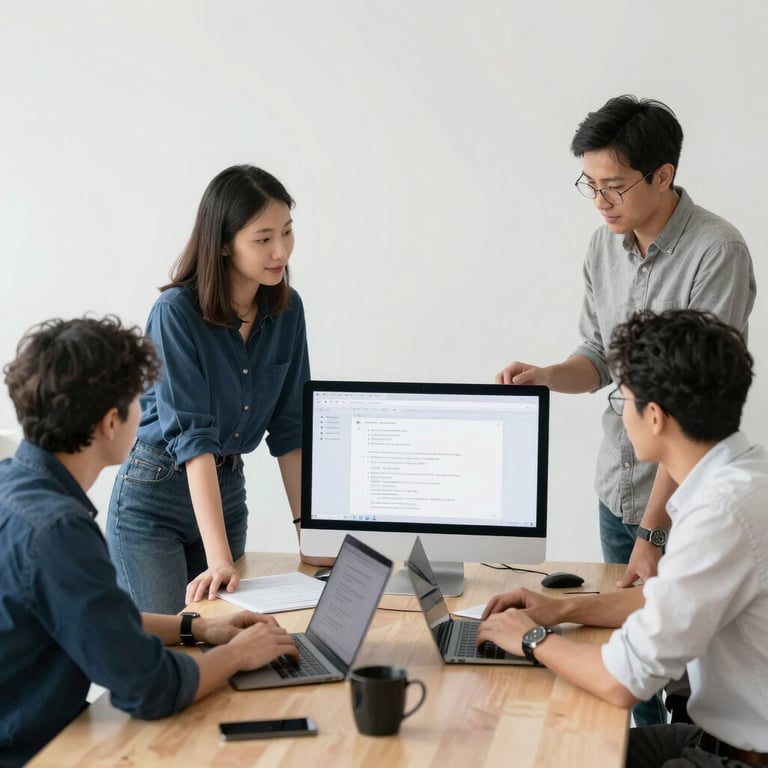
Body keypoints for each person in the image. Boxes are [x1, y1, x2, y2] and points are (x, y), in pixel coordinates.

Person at [0, 317, 299, 767]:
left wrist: (197, 628)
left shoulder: (13, 487)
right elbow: (149, 687)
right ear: (111, 422)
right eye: (141, 400)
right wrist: (238, 655)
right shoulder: (59, 531)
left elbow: (100, 622)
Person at [479, 309, 768, 767]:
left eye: (623, 399)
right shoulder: (743, 475)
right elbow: (669, 598)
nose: (619, 415)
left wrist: (532, 639)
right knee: (573, 748)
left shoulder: (720, 513)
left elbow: (623, 680)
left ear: (654, 417)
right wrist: (561, 610)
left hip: (742, 757)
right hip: (720, 739)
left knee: (547, 753)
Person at [496, 95, 756, 585]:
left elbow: (694, 406)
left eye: (614, 187)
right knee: (615, 624)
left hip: (678, 508)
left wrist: (653, 533)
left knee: (669, 633)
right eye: (590, 186)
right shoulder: (603, 245)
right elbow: (600, 356)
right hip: (616, 491)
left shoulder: (717, 251)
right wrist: (547, 376)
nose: (600, 202)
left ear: (662, 175)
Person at [107, 165, 329, 616]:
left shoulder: (287, 311)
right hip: (155, 497)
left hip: (225, 491)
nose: (281, 251)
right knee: (171, 642)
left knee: (222, 637)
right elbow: (193, 439)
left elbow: (292, 429)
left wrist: (311, 538)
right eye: (263, 239)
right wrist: (220, 558)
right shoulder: (175, 313)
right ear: (224, 243)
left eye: (287, 232)